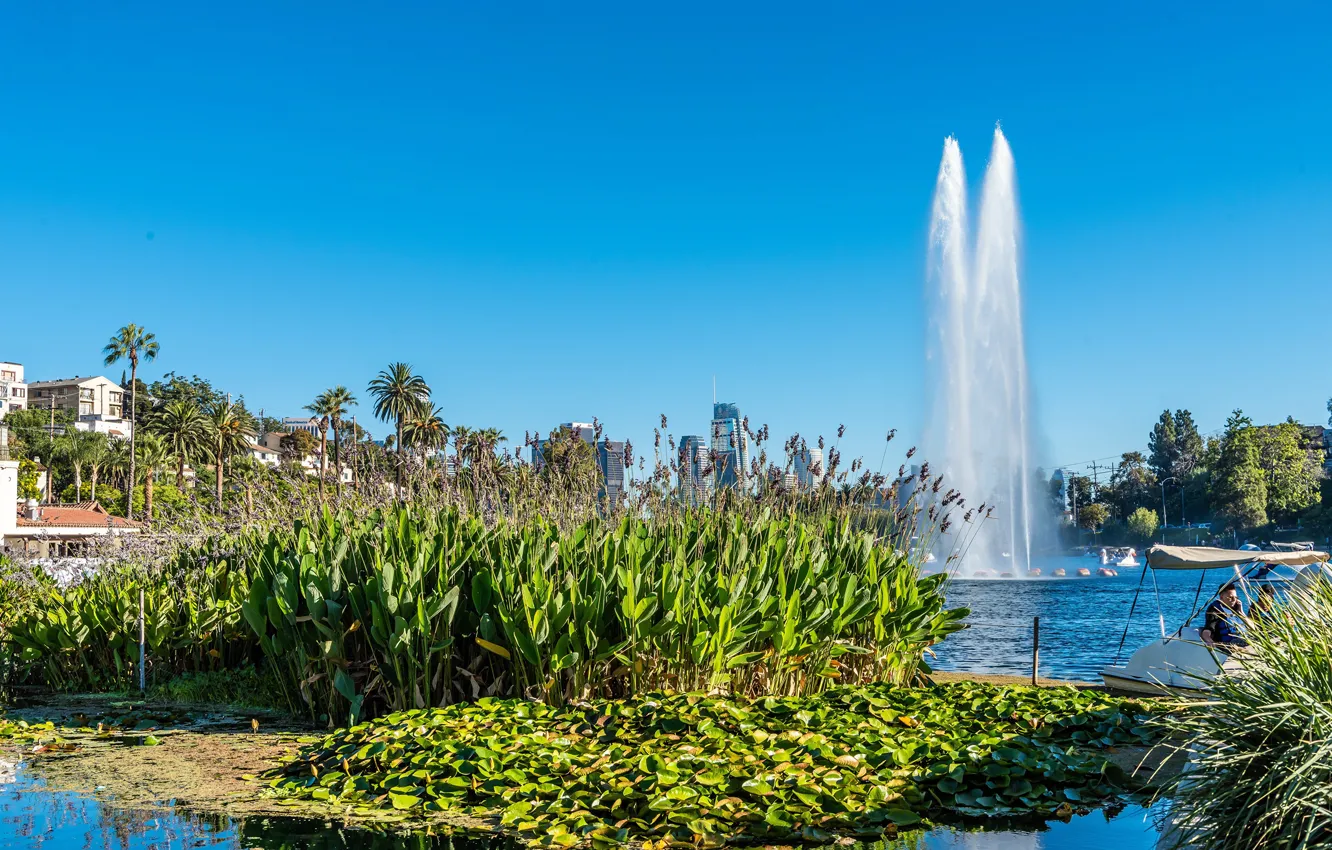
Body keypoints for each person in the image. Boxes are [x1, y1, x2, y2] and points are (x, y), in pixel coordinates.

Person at [1201, 582, 1248, 649]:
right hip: (1229, 644)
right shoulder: (1215, 609)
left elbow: (1253, 627)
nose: (1234, 600)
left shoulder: (1237, 608)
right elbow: (1208, 629)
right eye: (1230, 597)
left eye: (1236, 597)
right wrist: (1209, 641)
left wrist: (1241, 612)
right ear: (1221, 597)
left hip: (1245, 640)